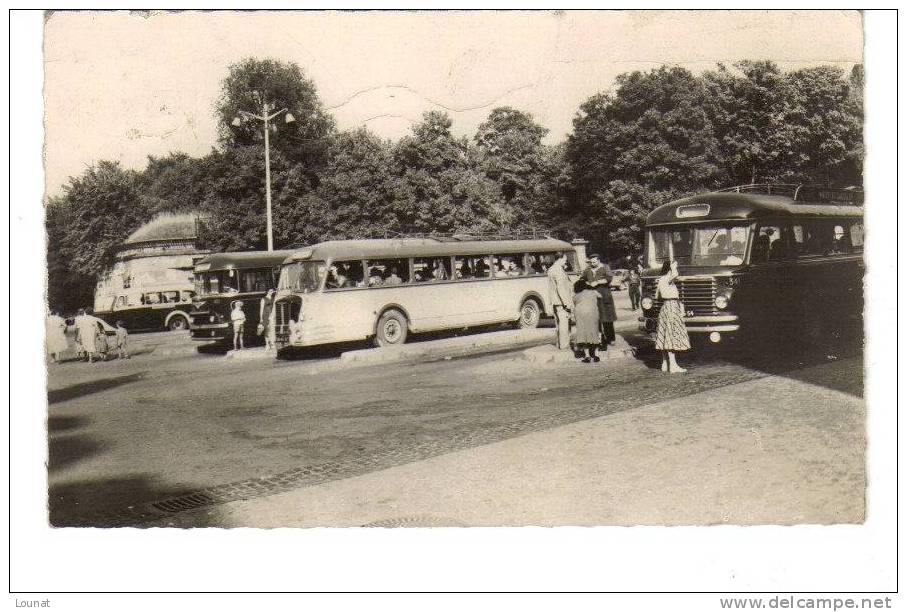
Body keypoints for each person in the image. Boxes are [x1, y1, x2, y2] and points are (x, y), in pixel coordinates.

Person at [655, 259, 691, 373]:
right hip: (671, 307)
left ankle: (665, 363)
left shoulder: (660, 280)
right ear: (669, 268)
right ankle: (673, 365)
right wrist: (674, 267)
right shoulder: (667, 278)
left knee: (664, 335)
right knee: (672, 335)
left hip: (664, 307)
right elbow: (675, 274)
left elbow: (657, 296)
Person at [582, 254, 617, 349]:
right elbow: (582, 279)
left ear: (599, 260)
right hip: (592, 297)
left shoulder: (605, 267)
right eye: (591, 262)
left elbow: (609, 278)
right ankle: (599, 339)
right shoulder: (587, 269)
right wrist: (587, 283)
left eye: (594, 262)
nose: (593, 264)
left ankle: (611, 338)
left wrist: (597, 282)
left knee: (607, 319)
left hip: (604, 296)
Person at [546, 254, 574, 350]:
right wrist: (567, 303)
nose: (565, 261)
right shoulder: (558, 270)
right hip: (561, 302)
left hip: (555, 301)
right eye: (564, 259)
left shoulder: (551, 269)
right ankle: (564, 345)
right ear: (560, 258)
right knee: (564, 324)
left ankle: (560, 344)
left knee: (558, 324)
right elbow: (561, 288)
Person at [572, 279, 602, 363]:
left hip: (581, 314)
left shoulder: (576, 296)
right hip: (593, 313)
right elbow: (600, 296)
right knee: (594, 332)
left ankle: (587, 356)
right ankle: (596, 355)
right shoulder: (593, 292)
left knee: (583, 333)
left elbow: (574, 302)